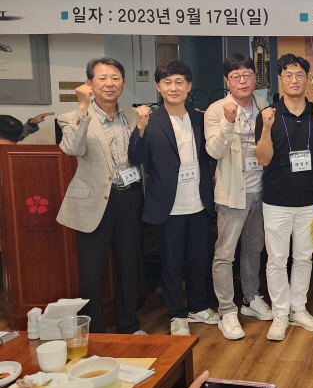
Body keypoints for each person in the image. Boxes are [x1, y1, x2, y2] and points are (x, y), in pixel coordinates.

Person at [128, 60, 219, 336]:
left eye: (179, 82)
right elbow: (136, 158)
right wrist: (140, 127)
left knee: (198, 259)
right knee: (171, 263)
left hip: (199, 202)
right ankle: (176, 313)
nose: (173, 87)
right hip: (168, 205)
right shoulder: (150, 121)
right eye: (167, 82)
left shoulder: (200, 118)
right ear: (158, 87)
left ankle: (198, 306)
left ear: (189, 86)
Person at [56, 57, 144, 334]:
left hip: (129, 198)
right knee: (91, 273)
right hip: (94, 201)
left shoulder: (133, 115)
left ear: (123, 83)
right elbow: (72, 149)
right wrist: (83, 107)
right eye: (102, 78)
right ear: (89, 83)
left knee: (129, 267)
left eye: (115, 78)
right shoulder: (71, 117)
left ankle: (129, 325)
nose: (109, 83)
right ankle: (93, 333)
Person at [255, 53, 313, 341]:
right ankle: (280, 313)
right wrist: (266, 128)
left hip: (310, 198)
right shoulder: (268, 115)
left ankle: (299, 308)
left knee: (304, 257)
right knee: (277, 259)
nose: (294, 80)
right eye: (288, 75)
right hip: (277, 199)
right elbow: (263, 159)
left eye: (299, 75)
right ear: (280, 80)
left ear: (307, 80)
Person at [205, 54, 271, 340]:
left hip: (261, 190)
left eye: (247, 74)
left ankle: (251, 298)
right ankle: (226, 310)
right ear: (227, 80)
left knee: (254, 248)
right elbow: (214, 151)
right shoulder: (216, 110)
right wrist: (228, 121)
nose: (242, 81)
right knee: (225, 253)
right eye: (235, 76)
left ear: (255, 77)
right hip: (232, 192)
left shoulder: (264, 105)